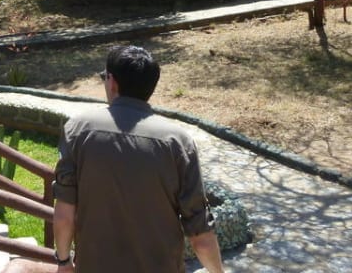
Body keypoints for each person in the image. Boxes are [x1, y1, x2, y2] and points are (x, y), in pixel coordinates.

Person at [48, 45, 225, 273]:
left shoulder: (77, 130)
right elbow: (200, 236)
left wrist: (64, 262)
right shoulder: (178, 142)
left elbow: (64, 213)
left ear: (112, 82)